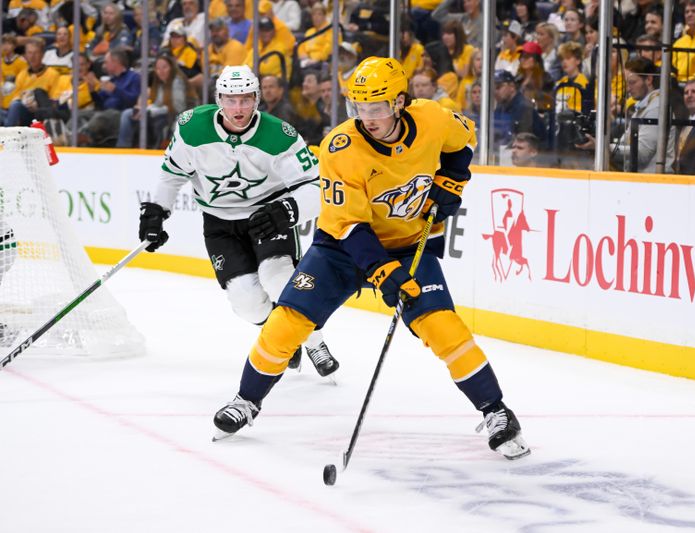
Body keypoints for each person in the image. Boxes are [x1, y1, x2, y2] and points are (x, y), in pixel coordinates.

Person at [210, 57, 530, 460]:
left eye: (376, 107)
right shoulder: (342, 148)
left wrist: (452, 180)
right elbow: (350, 228)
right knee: (286, 322)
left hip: (410, 244)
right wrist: (384, 273)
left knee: (444, 327)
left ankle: (496, 411)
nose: (366, 117)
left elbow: (463, 140)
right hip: (340, 249)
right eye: (358, 107)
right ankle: (247, 401)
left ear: (400, 102)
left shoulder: (432, 117)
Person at [139, 65, 340, 376]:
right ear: (219, 99)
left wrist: (286, 211)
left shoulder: (279, 135)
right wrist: (155, 212)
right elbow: (172, 175)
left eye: (245, 99)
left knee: (278, 278)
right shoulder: (192, 128)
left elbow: (317, 186)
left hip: (267, 216)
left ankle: (314, 340)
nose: (238, 108)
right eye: (231, 100)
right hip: (219, 223)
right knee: (247, 301)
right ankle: (287, 334)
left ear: (257, 99)